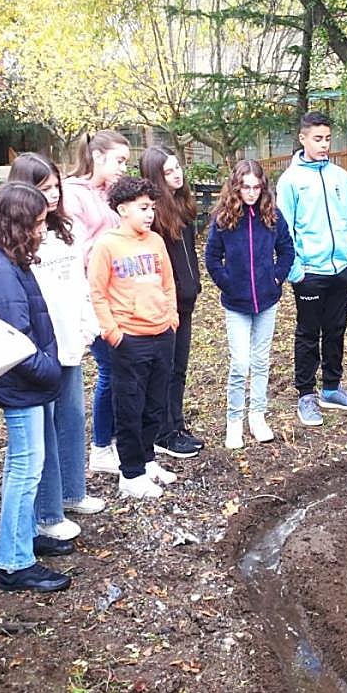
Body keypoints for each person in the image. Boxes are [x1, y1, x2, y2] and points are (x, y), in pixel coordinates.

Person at [0, 182, 70, 592]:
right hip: (21, 383)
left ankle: (23, 538)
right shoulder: (0, 273)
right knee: (25, 469)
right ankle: (14, 561)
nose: (42, 230)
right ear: (17, 224)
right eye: (38, 223)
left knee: (25, 465)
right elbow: (17, 343)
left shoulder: (6, 260)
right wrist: (50, 371)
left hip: (27, 382)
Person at [8, 154, 105, 548]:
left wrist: (88, 322)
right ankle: (48, 514)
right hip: (40, 347)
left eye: (55, 187)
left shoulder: (65, 229)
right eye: (42, 188)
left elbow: (79, 283)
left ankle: (72, 493)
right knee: (43, 427)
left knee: (72, 416)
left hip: (70, 339)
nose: (51, 195)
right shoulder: (18, 238)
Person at [88, 176, 180, 498]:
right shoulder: (107, 245)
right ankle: (130, 474)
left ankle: (147, 460)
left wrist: (172, 318)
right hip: (129, 339)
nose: (149, 214)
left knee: (154, 406)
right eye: (143, 208)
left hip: (161, 335)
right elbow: (97, 293)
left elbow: (168, 282)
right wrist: (114, 334)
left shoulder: (155, 242)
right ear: (122, 209)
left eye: (151, 208)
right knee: (129, 406)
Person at [277, 111, 347, 426]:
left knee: (336, 329)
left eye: (327, 138)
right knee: (308, 333)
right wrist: (296, 270)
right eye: (317, 139)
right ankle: (306, 395)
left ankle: (331, 387)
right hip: (309, 273)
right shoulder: (290, 181)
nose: (324, 145)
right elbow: (284, 230)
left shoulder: (340, 176)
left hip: (342, 269)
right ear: (302, 138)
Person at [204, 159, 295, 449]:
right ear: (236, 187)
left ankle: (257, 415)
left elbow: (287, 250)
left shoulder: (273, 216)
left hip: (267, 300)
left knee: (260, 360)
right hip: (236, 303)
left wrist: (277, 278)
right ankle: (234, 421)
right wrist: (228, 283)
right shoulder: (224, 219)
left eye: (257, 187)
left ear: (263, 188)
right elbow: (211, 258)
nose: (252, 192)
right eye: (246, 187)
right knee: (240, 362)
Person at [62, 130, 131, 476]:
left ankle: (115, 440)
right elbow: (75, 250)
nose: (123, 168)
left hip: (118, 292)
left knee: (122, 369)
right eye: (119, 160)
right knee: (110, 369)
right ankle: (101, 446)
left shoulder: (108, 195)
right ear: (98, 156)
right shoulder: (73, 195)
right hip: (91, 296)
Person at [139, 146, 205, 459]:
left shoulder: (183, 207)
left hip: (186, 302)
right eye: (168, 171)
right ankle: (162, 433)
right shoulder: (154, 220)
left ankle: (175, 425)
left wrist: (195, 285)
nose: (177, 174)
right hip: (166, 306)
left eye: (177, 167)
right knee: (164, 370)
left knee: (179, 368)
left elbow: (188, 256)